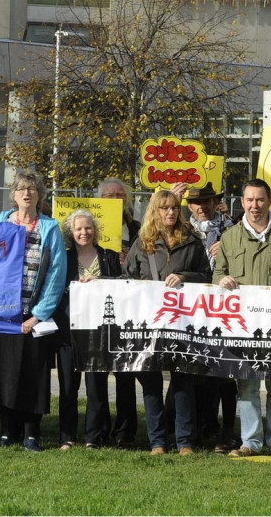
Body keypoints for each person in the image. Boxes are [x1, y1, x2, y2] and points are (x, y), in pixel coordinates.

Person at [213, 178, 271, 457]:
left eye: (260, 200)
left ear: (269, 202)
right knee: (247, 384)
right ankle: (251, 442)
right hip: (243, 325)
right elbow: (217, 274)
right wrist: (223, 280)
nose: (255, 206)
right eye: (250, 200)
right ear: (241, 203)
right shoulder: (230, 237)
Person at [0, 169, 66, 452]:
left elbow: (56, 274)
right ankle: (8, 431)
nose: (27, 193)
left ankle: (31, 433)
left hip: (34, 313)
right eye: (21, 189)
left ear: (39, 195)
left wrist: (38, 315)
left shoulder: (50, 228)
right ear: (13, 195)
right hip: (2, 314)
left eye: (32, 189)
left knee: (33, 374)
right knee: (4, 374)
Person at [124, 190, 212, 455]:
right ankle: (157, 442)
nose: (170, 213)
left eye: (174, 208)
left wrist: (184, 276)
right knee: (150, 382)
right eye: (164, 208)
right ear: (155, 211)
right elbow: (126, 278)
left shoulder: (192, 241)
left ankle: (185, 441)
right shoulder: (143, 243)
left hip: (182, 322)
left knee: (182, 381)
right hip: (149, 322)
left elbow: (207, 275)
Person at [54, 209, 122, 450]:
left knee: (96, 388)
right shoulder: (64, 257)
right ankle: (67, 437)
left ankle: (93, 437)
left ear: (95, 230)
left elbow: (122, 287)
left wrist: (100, 283)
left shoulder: (110, 258)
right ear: (70, 233)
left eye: (88, 227)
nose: (84, 232)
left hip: (99, 333)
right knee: (68, 387)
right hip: (68, 332)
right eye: (78, 229)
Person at [183, 182, 238, 452]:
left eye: (207, 201)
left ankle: (226, 430)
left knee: (226, 372)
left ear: (217, 202)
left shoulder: (232, 227)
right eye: (195, 202)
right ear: (189, 206)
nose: (201, 207)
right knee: (195, 370)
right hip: (192, 308)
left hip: (225, 307)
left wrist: (225, 251)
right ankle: (200, 426)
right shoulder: (182, 230)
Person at [96, 177, 141, 447]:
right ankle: (98, 431)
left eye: (119, 195)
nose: (115, 200)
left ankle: (125, 432)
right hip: (97, 308)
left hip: (129, 309)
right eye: (108, 195)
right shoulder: (90, 228)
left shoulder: (137, 229)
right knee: (98, 374)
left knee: (126, 374)